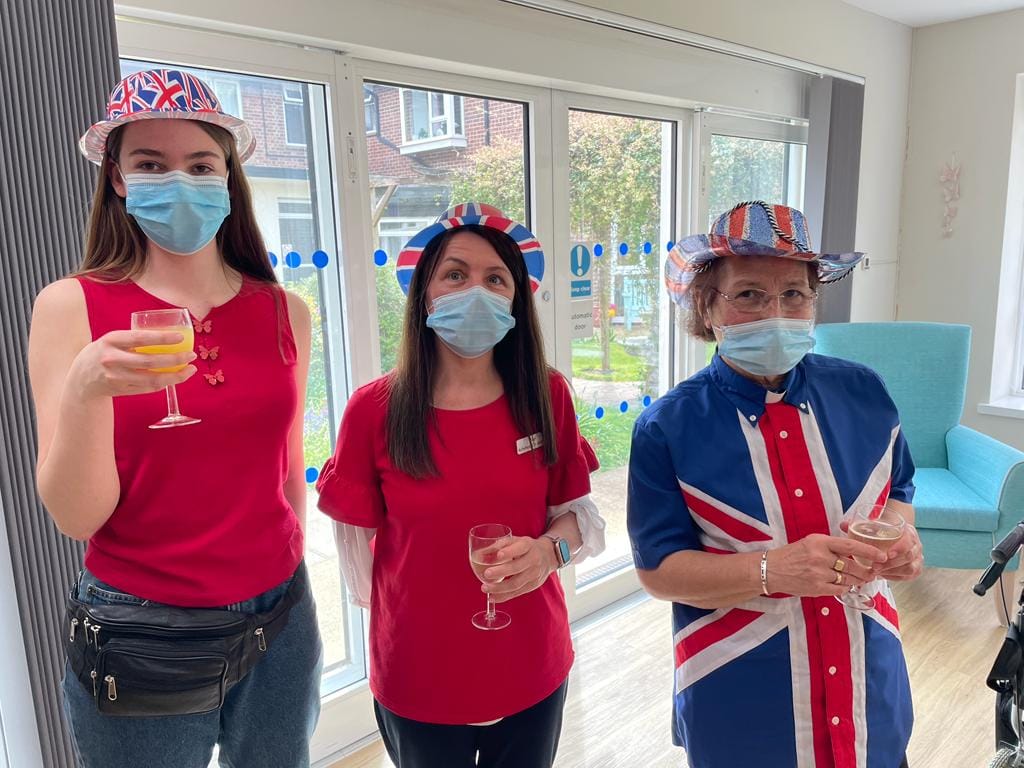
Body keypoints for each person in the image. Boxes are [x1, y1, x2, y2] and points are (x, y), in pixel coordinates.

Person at [28, 69, 321, 767]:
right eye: (151, 164)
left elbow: (285, 472)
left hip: (281, 615)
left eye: (200, 164)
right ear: (119, 179)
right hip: (143, 633)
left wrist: (286, 564)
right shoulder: (69, 307)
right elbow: (77, 517)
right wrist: (85, 390)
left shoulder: (287, 312)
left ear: (228, 177)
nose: (179, 182)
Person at [627, 201, 923, 768]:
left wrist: (899, 541)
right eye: (748, 294)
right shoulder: (667, 428)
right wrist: (774, 571)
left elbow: (899, 494)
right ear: (707, 308)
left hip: (868, 680)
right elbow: (659, 571)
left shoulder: (866, 393)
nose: (777, 312)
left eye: (794, 293)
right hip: (741, 693)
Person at [316, 202, 605, 768]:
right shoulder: (373, 411)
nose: (476, 289)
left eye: (495, 278)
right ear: (424, 293)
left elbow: (575, 514)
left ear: (516, 301)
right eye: (455, 274)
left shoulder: (546, 396)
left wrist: (551, 552)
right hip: (418, 673)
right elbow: (356, 553)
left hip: (531, 661)